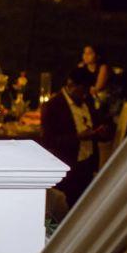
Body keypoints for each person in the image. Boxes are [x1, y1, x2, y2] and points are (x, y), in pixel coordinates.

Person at [42, 71, 109, 207]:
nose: (84, 95)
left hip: (87, 165)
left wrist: (100, 132)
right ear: (71, 85)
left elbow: (96, 124)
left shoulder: (87, 101)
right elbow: (49, 141)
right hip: (68, 168)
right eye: (82, 91)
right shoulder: (53, 106)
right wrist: (78, 137)